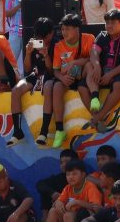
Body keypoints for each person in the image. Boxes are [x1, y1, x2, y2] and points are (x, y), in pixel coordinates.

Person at [38, 13, 95, 148]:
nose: (64, 32)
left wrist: (75, 62)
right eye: (62, 29)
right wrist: (62, 78)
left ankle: (95, 99)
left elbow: (93, 59)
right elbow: (56, 70)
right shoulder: (59, 46)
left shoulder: (89, 38)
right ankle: (59, 130)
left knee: (87, 65)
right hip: (68, 78)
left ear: (77, 29)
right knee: (57, 87)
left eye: (67, 29)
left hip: (85, 77)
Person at [36, 159, 103, 222]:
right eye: (68, 174)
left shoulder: (90, 187)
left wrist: (78, 202)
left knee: (68, 215)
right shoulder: (68, 188)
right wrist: (58, 202)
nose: (71, 177)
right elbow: (59, 201)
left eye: (74, 174)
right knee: (53, 211)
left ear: (83, 174)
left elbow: (97, 209)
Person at [83, 9, 120, 132]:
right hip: (101, 72)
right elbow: (94, 52)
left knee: (119, 86)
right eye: (107, 23)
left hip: (118, 72)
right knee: (82, 85)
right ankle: (98, 117)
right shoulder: (102, 35)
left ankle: (98, 117)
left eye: (113, 23)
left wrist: (110, 75)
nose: (109, 26)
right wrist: (97, 66)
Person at [7, 17, 55, 147]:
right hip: (36, 75)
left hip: (50, 76)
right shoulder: (33, 43)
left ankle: (44, 131)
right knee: (16, 90)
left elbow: (51, 70)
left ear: (51, 34)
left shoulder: (56, 44)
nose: (41, 40)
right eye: (38, 37)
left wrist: (46, 55)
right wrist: (28, 53)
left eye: (44, 37)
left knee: (48, 88)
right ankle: (17, 132)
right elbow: (27, 69)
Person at [35, 149, 75, 222]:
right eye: (61, 162)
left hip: (75, 213)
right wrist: (53, 193)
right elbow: (39, 184)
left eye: (67, 162)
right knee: (45, 190)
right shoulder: (58, 178)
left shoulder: (81, 179)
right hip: (59, 211)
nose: (63, 165)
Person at [4, 0, 22, 69]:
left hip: (28, 33)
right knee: (11, 61)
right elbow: (7, 14)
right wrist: (19, 5)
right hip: (15, 33)